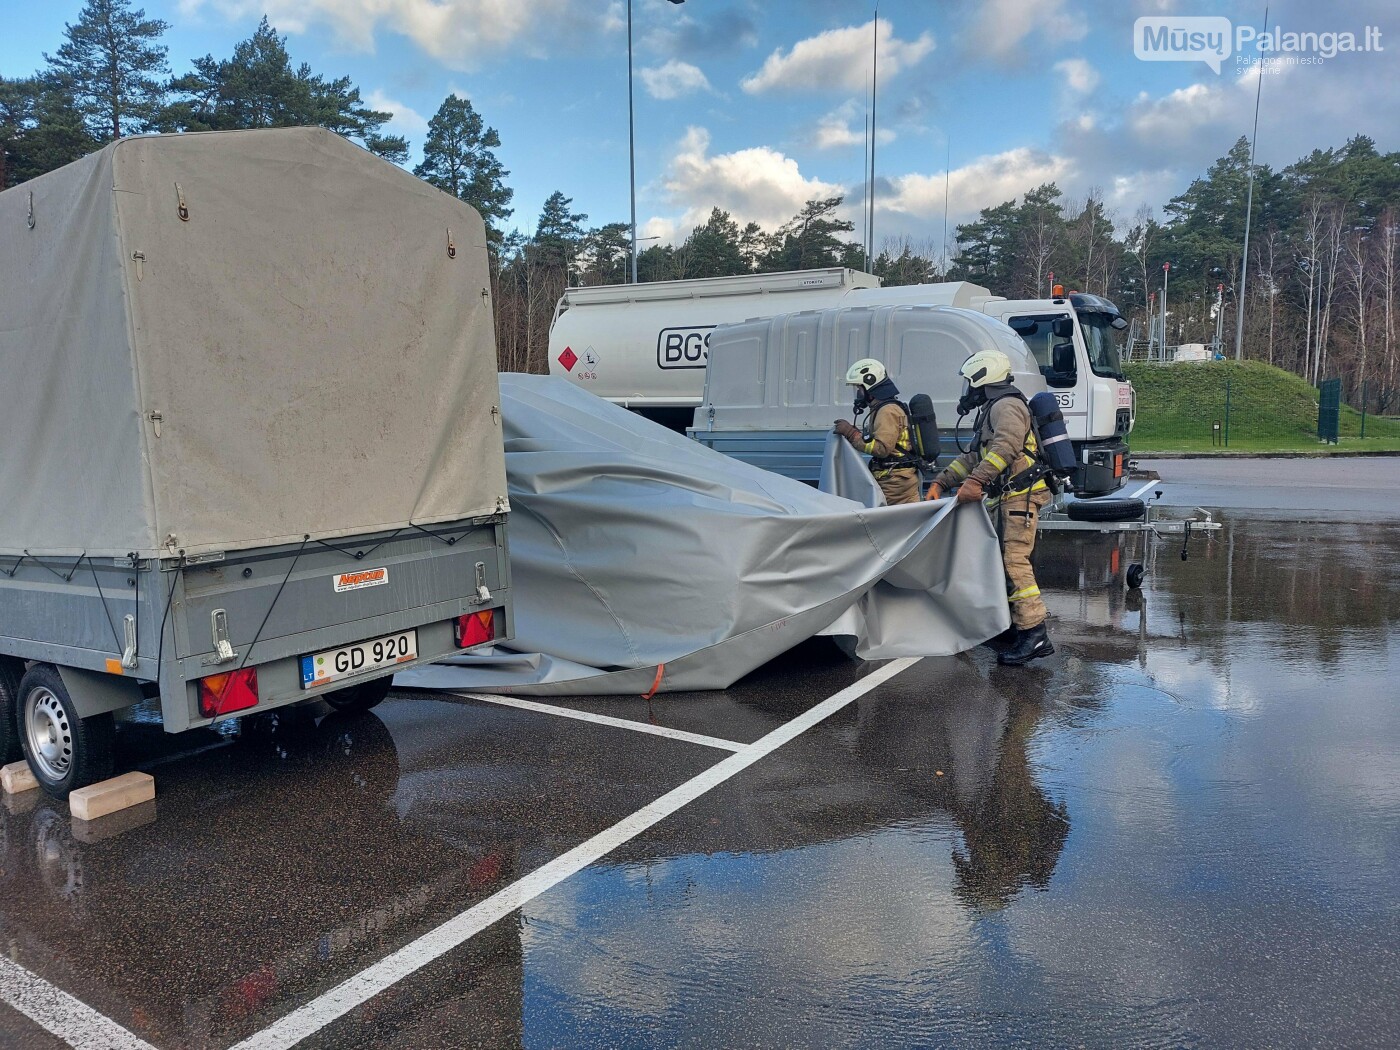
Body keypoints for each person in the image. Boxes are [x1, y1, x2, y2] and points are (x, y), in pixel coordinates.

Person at [925, 349, 1054, 666]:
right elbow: (973, 455)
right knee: (1000, 563)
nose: (967, 389)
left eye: (970, 382)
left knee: (1014, 562)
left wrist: (975, 482)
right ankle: (1012, 627)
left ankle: (1034, 633)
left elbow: (1006, 448)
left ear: (983, 378)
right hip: (1008, 496)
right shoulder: (992, 408)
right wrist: (942, 481)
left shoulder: (1007, 406)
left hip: (1021, 495)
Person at [833, 358, 921, 506]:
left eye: (859, 389)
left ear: (870, 387)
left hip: (894, 482)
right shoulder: (883, 408)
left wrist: (851, 434)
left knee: (883, 517)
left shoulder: (887, 411)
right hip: (896, 478)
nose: (858, 394)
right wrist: (856, 434)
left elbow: (882, 449)